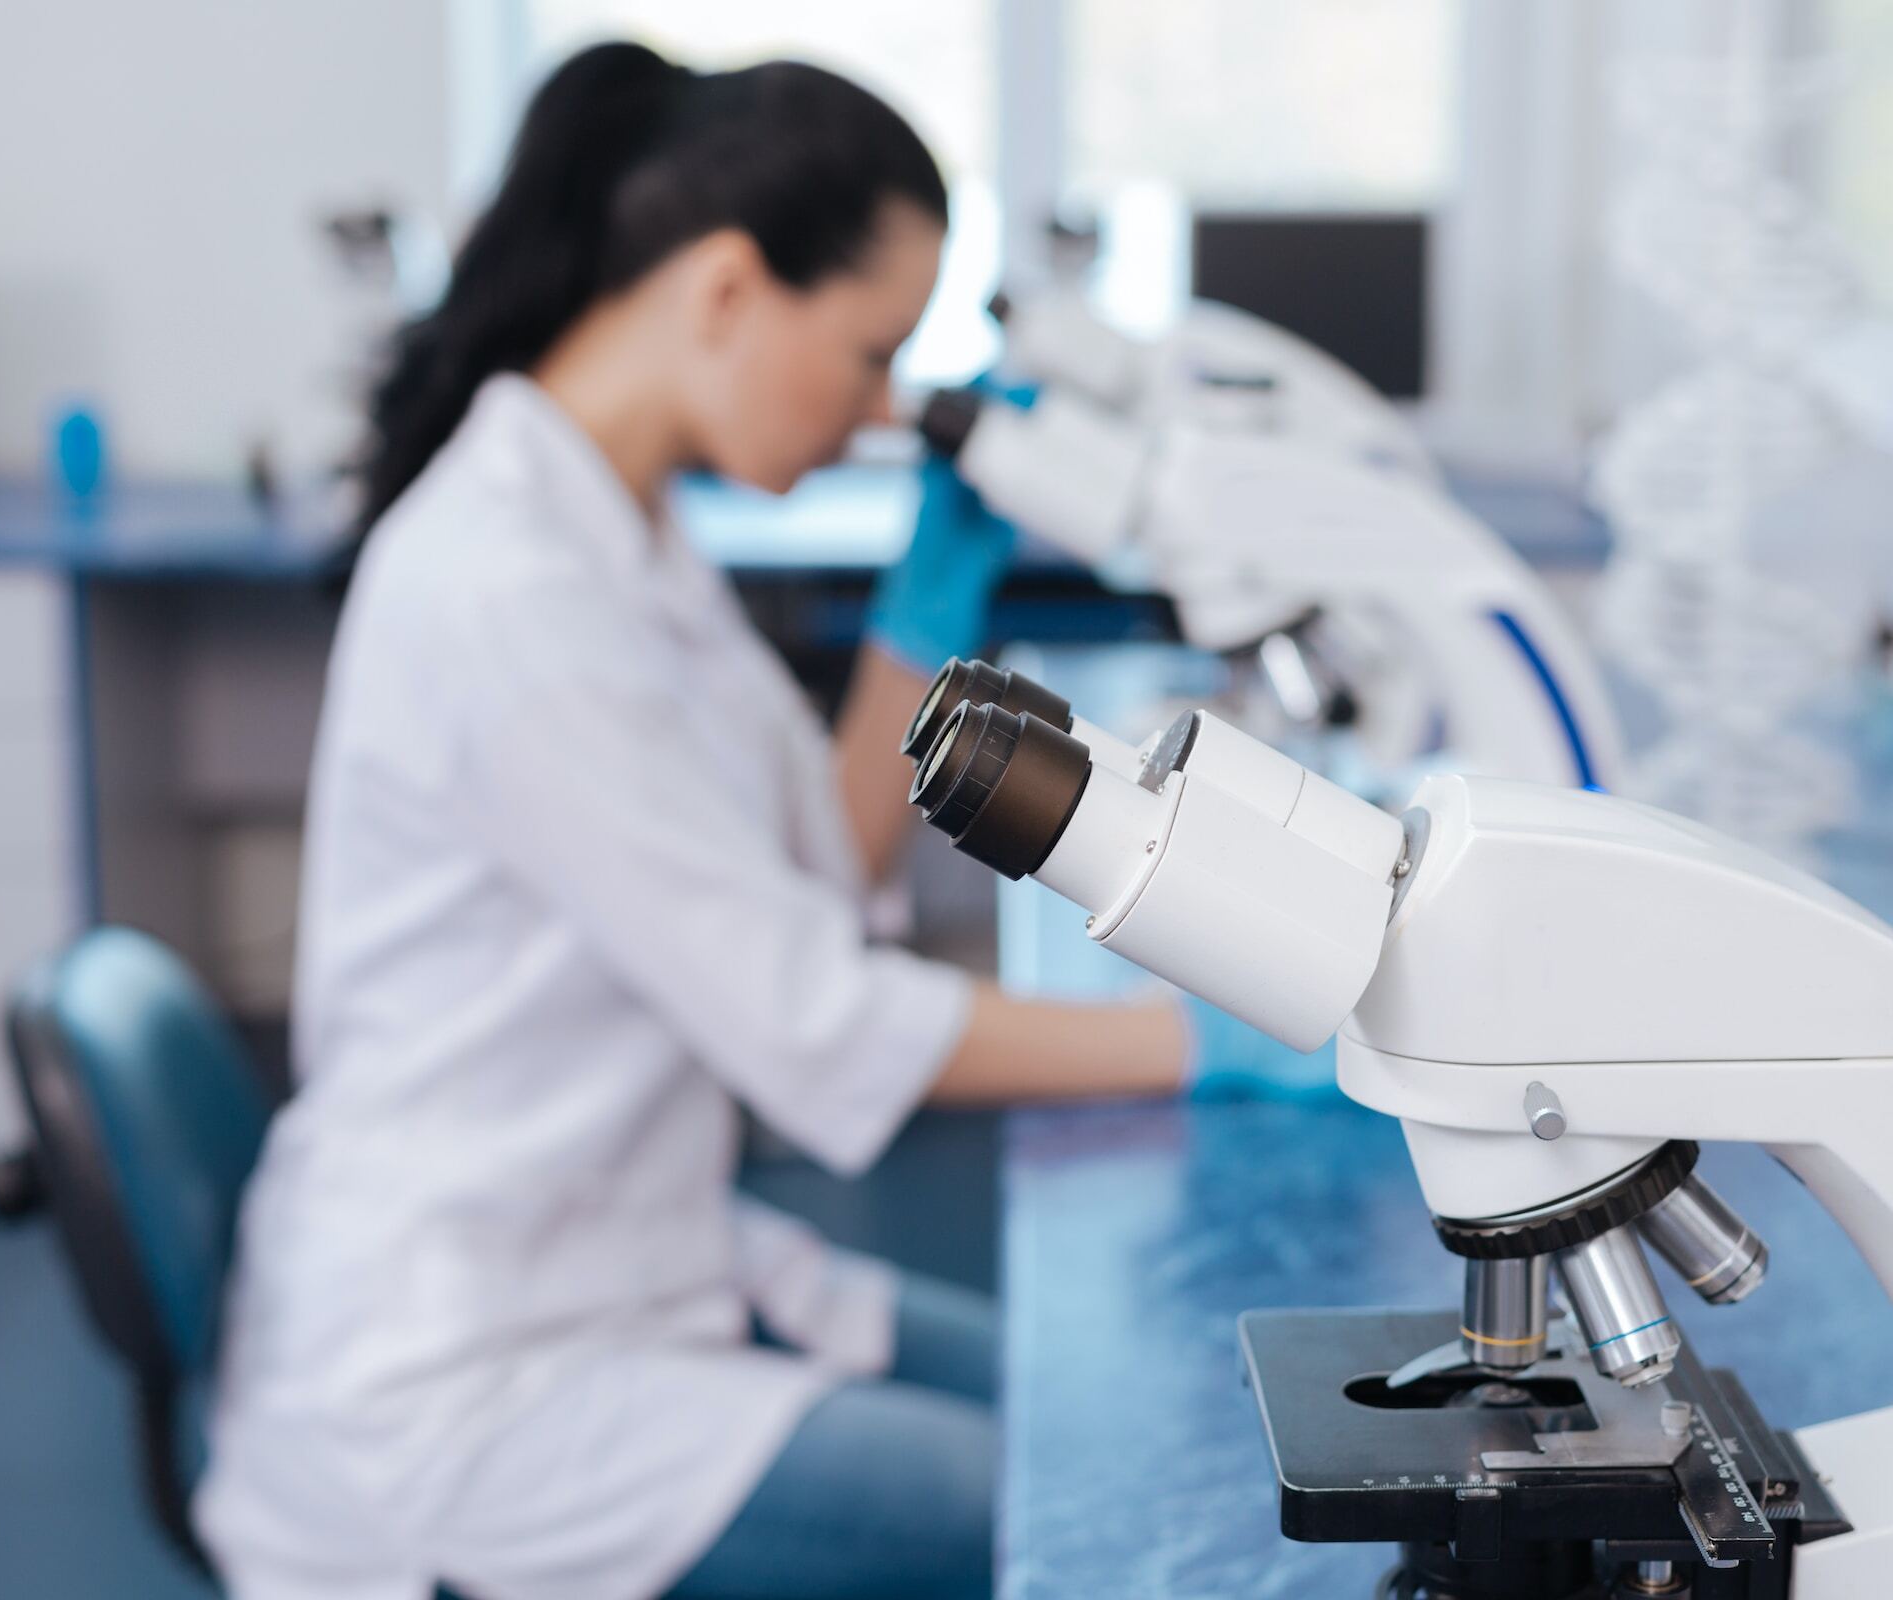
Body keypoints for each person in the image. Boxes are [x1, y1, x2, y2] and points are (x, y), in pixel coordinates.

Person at [195, 40, 1323, 1600]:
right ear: (727, 290)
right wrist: (1229, 1040)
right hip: (468, 1379)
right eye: (868, 355)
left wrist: (928, 612)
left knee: (1134, 1406)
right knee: (1112, 1507)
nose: (880, 413)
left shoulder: (624, 531)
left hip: (630, 1258)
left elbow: (820, 871)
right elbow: (815, 1021)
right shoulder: (507, 587)